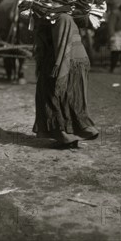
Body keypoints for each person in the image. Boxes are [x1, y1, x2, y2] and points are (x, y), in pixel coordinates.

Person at [33, 13, 99, 148]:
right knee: (72, 99)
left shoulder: (61, 19)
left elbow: (62, 45)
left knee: (52, 95)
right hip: (79, 61)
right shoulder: (68, 18)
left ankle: (65, 136)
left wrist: (59, 69)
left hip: (65, 60)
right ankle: (74, 135)